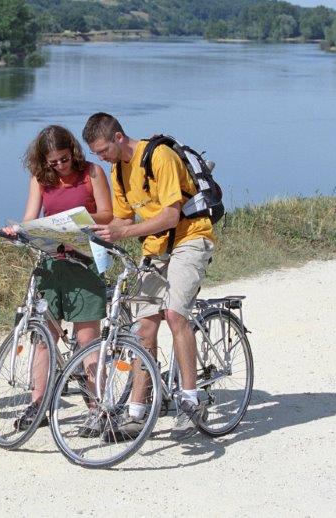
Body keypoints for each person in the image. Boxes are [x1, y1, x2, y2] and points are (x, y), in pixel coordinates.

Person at [83, 112, 215, 441]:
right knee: (144, 328)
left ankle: (190, 401)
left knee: (174, 314)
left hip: (190, 238)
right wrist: (92, 230)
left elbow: (170, 216)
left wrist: (124, 233)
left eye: (103, 150)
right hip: (156, 247)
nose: (101, 158)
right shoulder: (118, 169)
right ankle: (136, 413)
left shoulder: (159, 156)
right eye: (95, 153)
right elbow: (122, 220)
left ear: (118, 137)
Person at [3, 124, 113, 436]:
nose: (61, 166)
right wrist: (19, 230)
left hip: (85, 262)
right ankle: (38, 404)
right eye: (53, 162)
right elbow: (30, 218)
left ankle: (97, 407)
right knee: (43, 337)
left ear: (73, 152)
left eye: (64, 159)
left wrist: (77, 219)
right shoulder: (40, 178)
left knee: (87, 339)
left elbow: (107, 214)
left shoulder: (92, 172)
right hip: (53, 263)